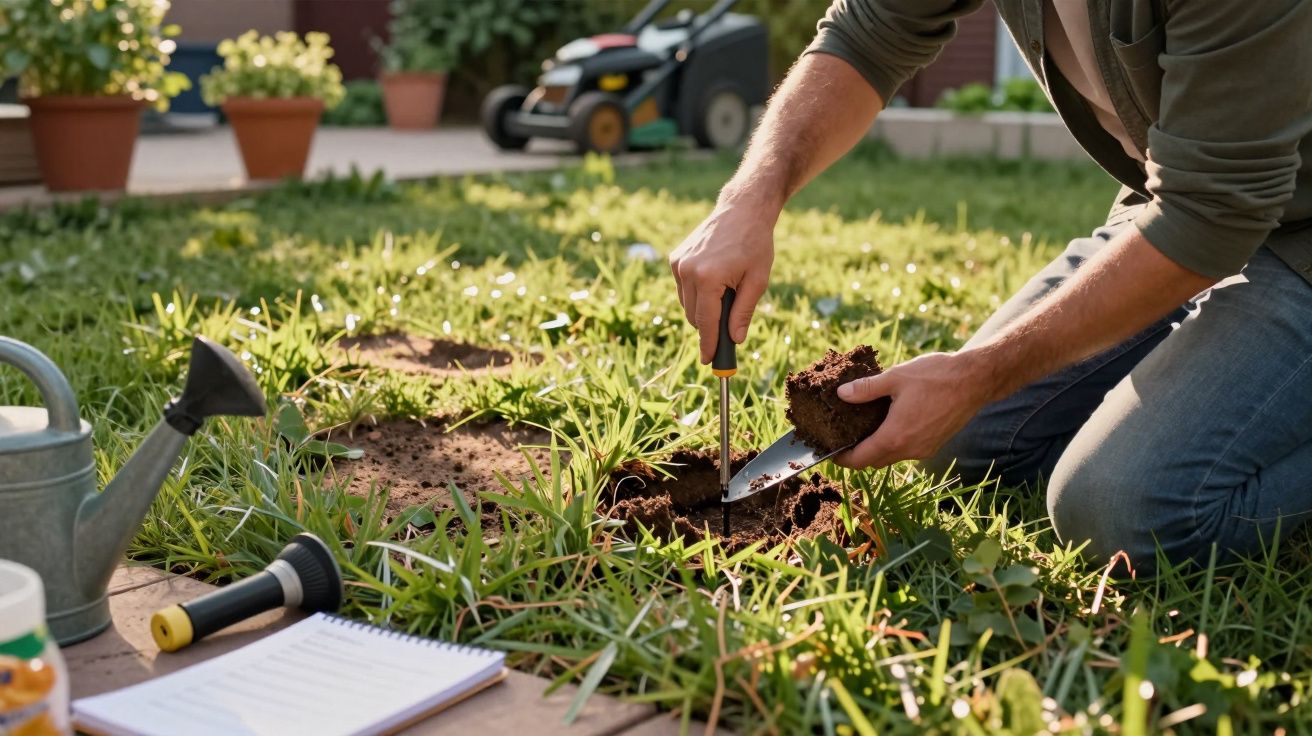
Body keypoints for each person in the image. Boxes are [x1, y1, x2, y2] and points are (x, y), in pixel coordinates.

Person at [669, 0, 1312, 574]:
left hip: (1279, 227)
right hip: (1178, 208)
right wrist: (749, 197)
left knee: (1121, 512)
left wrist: (980, 373)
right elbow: (868, 33)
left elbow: (1213, 213)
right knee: (959, 445)